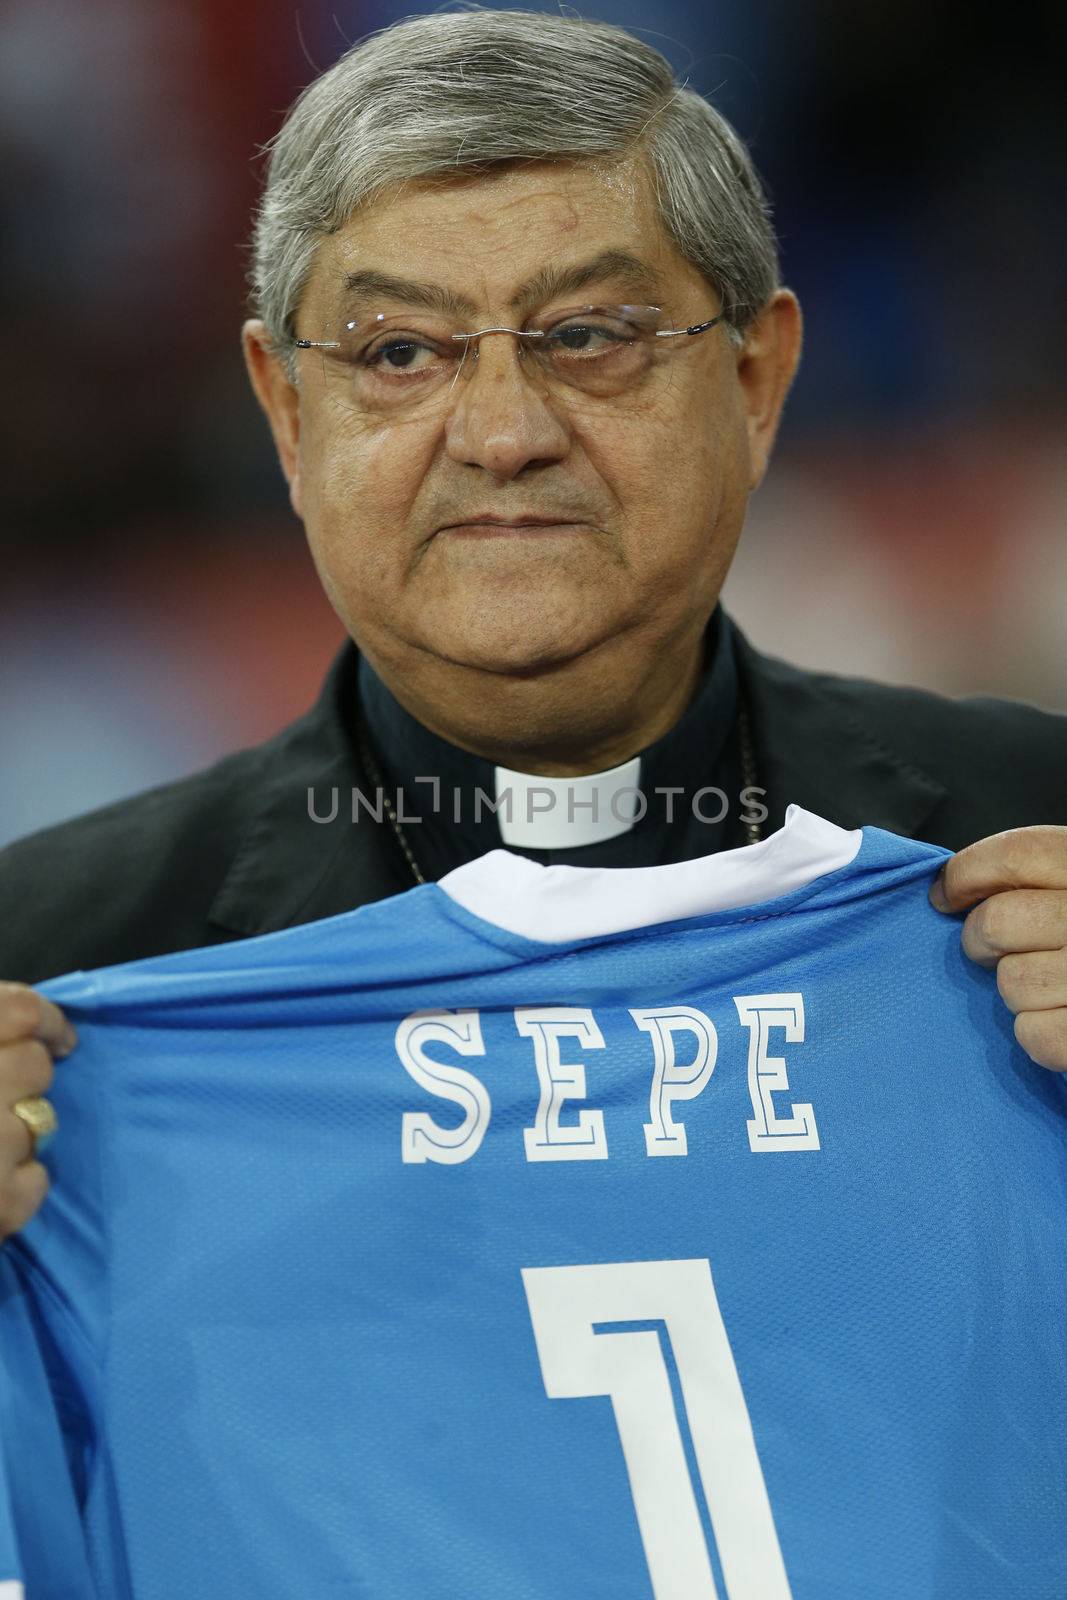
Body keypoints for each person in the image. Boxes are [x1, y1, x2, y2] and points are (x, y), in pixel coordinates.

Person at [1, 6, 1065, 1242]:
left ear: (753, 379)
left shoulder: (1036, 821)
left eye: (587, 337)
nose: (503, 435)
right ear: (288, 416)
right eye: (397, 352)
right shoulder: (57, 969)